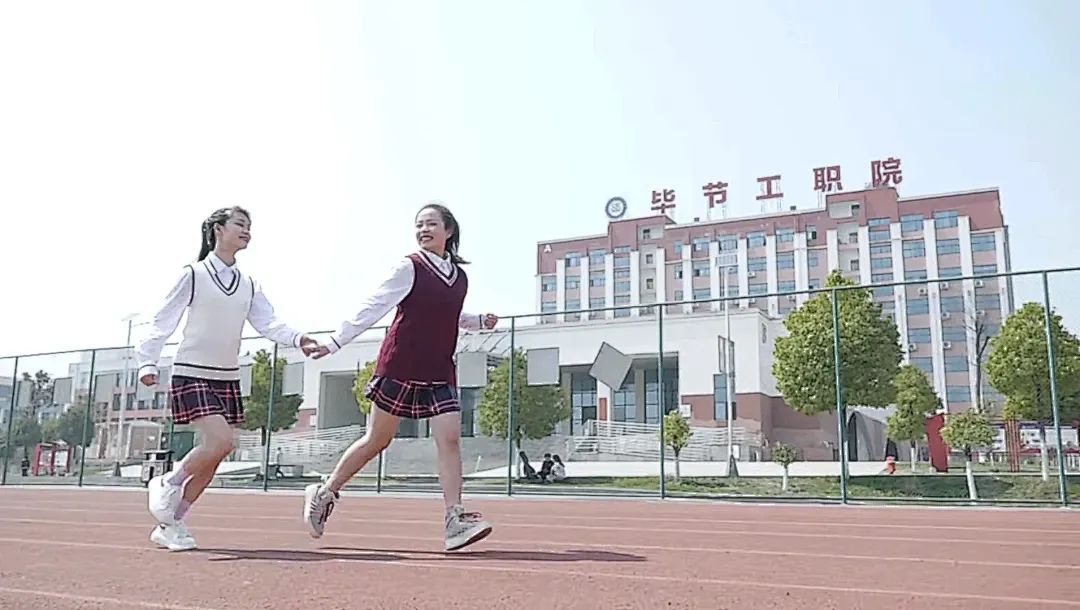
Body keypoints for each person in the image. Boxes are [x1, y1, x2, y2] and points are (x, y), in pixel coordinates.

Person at [303, 203, 498, 552]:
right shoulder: (409, 267)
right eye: (419, 225)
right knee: (378, 439)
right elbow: (374, 306)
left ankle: (454, 519)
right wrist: (335, 342)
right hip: (401, 364)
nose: (424, 230)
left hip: (439, 368)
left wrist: (478, 321)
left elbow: (448, 313)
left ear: (449, 230)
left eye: (431, 224)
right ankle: (326, 492)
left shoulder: (460, 277)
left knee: (450, 438)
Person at [136, 206, 316, 551]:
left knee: (218, 452)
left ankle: (172, 523)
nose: (247, 231)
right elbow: (162, 319)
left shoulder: (248, 284)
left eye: (249, 226)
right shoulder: (193, 274)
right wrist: (148, 362)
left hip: (227, 376)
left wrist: (299, 339)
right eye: (240, 224)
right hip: (192, 371)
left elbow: (268, 322)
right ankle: (168, 481)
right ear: (218, 229)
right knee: (222, 441)